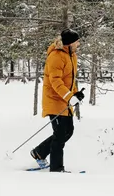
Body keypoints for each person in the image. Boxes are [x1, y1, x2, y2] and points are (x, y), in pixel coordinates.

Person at [31, 29, 84, 172]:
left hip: (64, 100)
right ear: (70, 43)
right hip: (54, 100)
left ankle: (39, 152)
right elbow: (56, 82)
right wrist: (69, 96)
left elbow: (69, 80)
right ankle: (56, 168)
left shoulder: (71, 56)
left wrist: (75, 94)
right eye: (77, 41)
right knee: (60, 135)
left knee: (68, 131)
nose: (79, 44)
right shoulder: (56, 56)